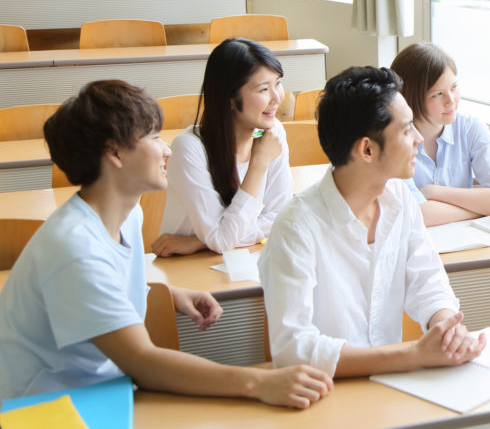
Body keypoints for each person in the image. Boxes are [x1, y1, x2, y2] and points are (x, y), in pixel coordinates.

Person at [0, 80, 332, 407]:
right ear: (114, 152)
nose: (167, 150)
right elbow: (143, 363)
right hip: (39, 408)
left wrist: (172, 294)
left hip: (97, 393)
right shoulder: (75, 249)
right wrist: (260, 382)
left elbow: (105, 282)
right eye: (153, 137)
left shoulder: (127, 214)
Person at [257, 66, 485, 377]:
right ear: (367, 149)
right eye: (407, 130)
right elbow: (292, 348)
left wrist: (447, 328)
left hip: (390, 383)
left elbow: (428, 279)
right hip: (327, 391)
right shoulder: (296, 227)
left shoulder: (399, 198)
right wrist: (412, 356)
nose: (419, 139)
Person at [153, 38, 292, 256]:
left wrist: (200, 241)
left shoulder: (270, 133)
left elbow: (282, 217)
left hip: (241, 259)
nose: (277, 98)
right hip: (187, 267)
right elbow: (221, 239)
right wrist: (258, 165)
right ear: (230, 99)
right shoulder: (190, 148)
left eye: (278, 83)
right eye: (264, 89)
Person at [390, 42, 490, 226]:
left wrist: (433, 192)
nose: (451, 101)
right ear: (410, 97)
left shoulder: (471, 129)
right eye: (437, 94)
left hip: (467, 239)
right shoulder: (393, 140)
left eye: (453, 87)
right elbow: (419, 215)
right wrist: (482, 210)